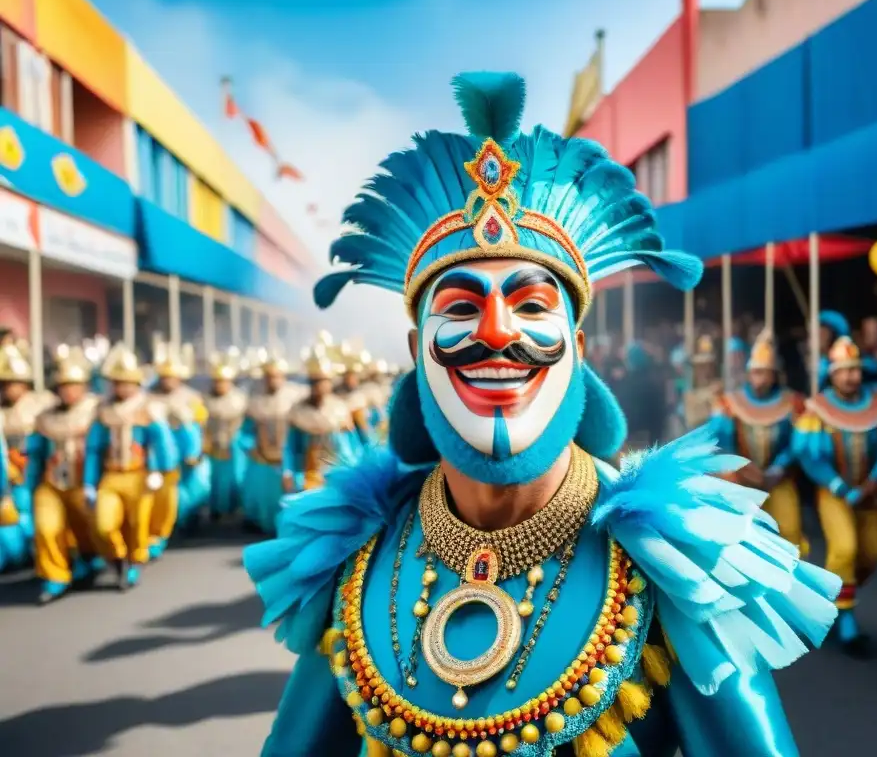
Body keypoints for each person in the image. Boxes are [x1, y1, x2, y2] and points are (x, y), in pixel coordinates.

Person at [244, 72, 839, 756]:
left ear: (578, 347)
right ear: (416, 351)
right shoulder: (357, 556)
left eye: (531, 306)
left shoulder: (676, 562)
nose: (497, 332)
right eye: (462, 307)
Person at [793, 311, 877, 657]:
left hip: (871, 493)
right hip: (835, 493)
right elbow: (809, 456)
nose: (851, 377)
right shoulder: (817, 409)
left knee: (871, 555)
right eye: (844, 371)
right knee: (845, 549)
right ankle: (845, 620)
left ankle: (833, 594)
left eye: (855, 370)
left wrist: (876, 481)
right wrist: (841, 488)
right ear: (832, 375)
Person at [84, 344, 176, 590]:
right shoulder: (103, 411)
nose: (121, 387)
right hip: (112, 476)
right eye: (116, 382)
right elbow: (93, 450)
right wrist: (88, 483)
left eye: (126, 382)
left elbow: (161, 442)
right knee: (103, 523)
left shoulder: (148, 408)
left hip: (140, 475)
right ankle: (116, 557)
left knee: (139, 524)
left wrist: (162, 470)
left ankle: (135, 562)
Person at [710, 329, 805, 553]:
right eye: (755, 372)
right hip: (740, 478)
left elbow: (797, 443)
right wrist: (743, 467)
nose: (759, 379)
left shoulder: (791, 402)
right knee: (740, 536)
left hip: (778, 478)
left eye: (765, 373)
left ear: (774, 375)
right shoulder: (729, 403)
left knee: (790, 533)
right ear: (748, 374)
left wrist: (779, 468)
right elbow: (721, 441)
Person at [27, 346, 104, 604]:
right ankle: (55, 576)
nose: (68, 390)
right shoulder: (44, 417)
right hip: (52, 482)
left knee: (88, 528)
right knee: (47, 527)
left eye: (73, 385)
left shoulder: (98, 410)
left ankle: (90, 558)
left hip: (85, 480)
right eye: (63, 385)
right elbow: (35, 454)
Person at [0, 344, 57, 572]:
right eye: (4, 384)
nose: (8, 390)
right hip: (10, 472)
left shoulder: (42, 403)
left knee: (35, 509)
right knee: (15, 511)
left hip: (36, 467)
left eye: (13, 383)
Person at [149, 342, 210, 547]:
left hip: (186, 451)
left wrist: (196, 450)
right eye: (165, 377)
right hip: (159, 453)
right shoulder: (148, 396)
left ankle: (188, 519)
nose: (168, 381)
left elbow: (198, 426)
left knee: (192, 489)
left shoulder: (191, 397)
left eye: (172, 377)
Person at [281, 349, 361, 499]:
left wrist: (354, 473)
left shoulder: (340, 411)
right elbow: (290, 447)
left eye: (322, 381)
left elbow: (351, 448)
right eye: (314, 382)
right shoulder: (298, 413)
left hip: (336, 476)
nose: (318, 386)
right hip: (306, 477)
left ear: (330, 383)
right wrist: (287, 472)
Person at [240, 351, 301, 534]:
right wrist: (250, 446)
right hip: (262, 457)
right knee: (263, 495)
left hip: (287, 456)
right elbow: (245, 431)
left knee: (288, 495)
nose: (272, 380)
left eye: (276, 376)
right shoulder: (255, 400)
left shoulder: (294, 398)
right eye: (269, 377)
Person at [205, 350, 248, 522]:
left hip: (234, 447)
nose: (220, 385)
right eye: (217, 382)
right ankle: (215, 510)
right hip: (212, 447)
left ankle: (234, 509)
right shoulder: (205, 399)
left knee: (235, 478)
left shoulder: (239, 399)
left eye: (223, 382)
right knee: (214, 480)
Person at [683, 335, 721, 428]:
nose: (706, 370)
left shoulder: (720, 388)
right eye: (701, 366)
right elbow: (692, 419)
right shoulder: (690, 393)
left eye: (709, 365)